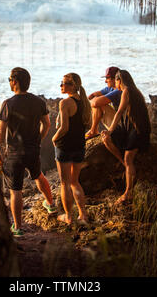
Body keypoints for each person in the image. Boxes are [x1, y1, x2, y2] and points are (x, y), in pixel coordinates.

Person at [0, 67, 57, 237]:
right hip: (32, 149)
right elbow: (47, 124)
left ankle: (18, 227)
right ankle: (50, 204)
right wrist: (39, 138)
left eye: (9, 79)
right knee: (38, 175)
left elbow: (1, 131)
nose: (9, 82)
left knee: (16, 190)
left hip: (14, 153)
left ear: (15, 82)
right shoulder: (38, 102)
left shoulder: (8, 103)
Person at [102, 70, 151, 205]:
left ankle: (128, 192)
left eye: (116, 81)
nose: (114, 84)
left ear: (119, 81)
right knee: (107, 141)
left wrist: (110, 130)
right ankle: (126, 169)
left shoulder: (127, 91)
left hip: (138, 130)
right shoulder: (134, 90)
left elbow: (118, 113)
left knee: (128, 158)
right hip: (135, 129)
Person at [52, 73, 92, 225]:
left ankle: (68, 216)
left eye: (66, 83)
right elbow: (87, 124)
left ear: (74, 85)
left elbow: (64, 128)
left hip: (65, 146)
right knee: (75, 181)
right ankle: (83, 215)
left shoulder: (65, 102)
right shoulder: (84, 101)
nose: (62, 86)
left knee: (65, 183)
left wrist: (53, 138)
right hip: (79, 146)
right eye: (61, 83)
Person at [85, 66, 122, 140]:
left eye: (107, 78)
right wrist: (92, 98)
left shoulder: (118, 91)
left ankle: (93, 130)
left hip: (121, 125)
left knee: (99, 104)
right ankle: (93, 130)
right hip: (117, 121)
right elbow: (92, 95)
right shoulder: (110, 88)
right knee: (98, 102)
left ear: (114, 79)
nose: (105, 81)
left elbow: (95, 103)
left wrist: (93, 101)